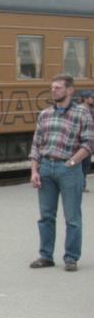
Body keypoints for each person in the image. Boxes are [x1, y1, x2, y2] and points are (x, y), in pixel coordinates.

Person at [27, 74, 92, 272]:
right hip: (46, 167)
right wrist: (34, 170)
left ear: (70, 90)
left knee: (72, 217)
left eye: (58, 87)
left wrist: (72, 162)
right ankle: (45, 256)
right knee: (46, 216)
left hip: (69, 169)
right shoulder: (45, 114)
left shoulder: (82, 114)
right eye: (52, 87)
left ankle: (71, 258)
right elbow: (36, 144)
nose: (53, 90)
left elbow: (89, 143)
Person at [79, 89, 94, 191]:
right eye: (92, 97)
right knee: (80, 164)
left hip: (89, 142)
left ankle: (82, 185)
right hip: (80, 142)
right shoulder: (79, 110)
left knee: (86, 164)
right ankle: (80, 185)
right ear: (85, 99)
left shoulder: (91, 111)